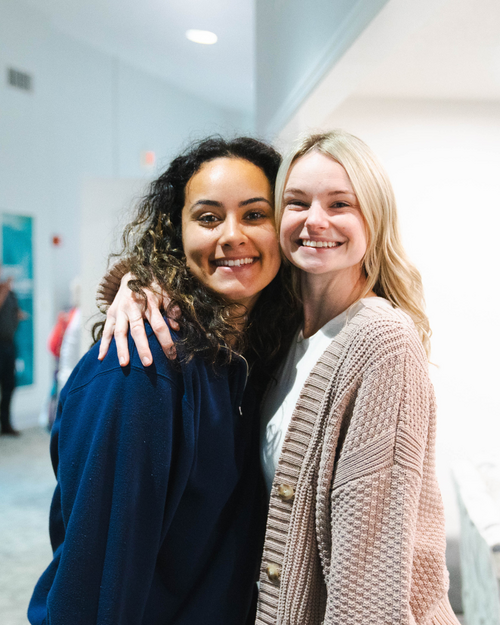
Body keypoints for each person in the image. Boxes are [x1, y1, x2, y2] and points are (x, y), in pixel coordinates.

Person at [99, 129, 459, 624]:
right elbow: (209, 274)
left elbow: (368, 590)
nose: (315, 220)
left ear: (374, 218)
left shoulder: (381, 342)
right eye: (296, 202)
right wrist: (138, 283)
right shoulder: (284, 328)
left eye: (340, 204)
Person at [28, 136, 299, 625]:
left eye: (255, 214)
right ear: (176, 232)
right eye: (208, 217)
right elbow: (96, 587)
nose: (232, 235)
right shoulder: (140, 368)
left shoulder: (252, 357)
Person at [0, 267, 21, 436]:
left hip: (8, 345)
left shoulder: (12, 294)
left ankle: (6, 424)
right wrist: (4, 290)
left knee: (9, 385)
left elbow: (15, 312)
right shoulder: (4, 292)